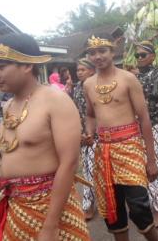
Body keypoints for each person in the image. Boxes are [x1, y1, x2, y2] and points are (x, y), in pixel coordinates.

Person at [0, 33, 90, 240]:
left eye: (2, 66)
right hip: (17, 208)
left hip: (53, 209)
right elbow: (18, 152)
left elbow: (69, 163)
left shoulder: (55, 100)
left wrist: (50, 225)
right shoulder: (9, 105)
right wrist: (1, 177)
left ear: (27, 65)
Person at [82, 36, 158, 241]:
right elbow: (90, 114)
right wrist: (89, 132)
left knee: (139, 206)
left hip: (130, 147)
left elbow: (144, 118)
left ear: (112, 52)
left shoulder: (128, 79)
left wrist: (151, 160)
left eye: (102, 51)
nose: (97, 56)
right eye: (92, 52)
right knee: (112, 208)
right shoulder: (88, 84)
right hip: (104, 151)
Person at [134, 41, 158, 228]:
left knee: (150, 163)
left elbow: (156, 94)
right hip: (133, 127)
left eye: (143, 55)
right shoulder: (132, 76)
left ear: (152, 56)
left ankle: (154, 208)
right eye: (137, 56)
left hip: (153, 123)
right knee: (141, 164)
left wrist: (134, 86)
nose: (139, 58)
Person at [73, 58, 97, 220]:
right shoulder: (76, 89)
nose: (79, 72)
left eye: (83, 70)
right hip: (83, 136)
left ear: (92, 71)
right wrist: (81, 134)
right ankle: (88, 205)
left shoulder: (98, 86)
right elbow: (76, 112)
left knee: (102, 170)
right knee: (88, 171)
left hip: (100, 135)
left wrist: (93, 134)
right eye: (78, 70)